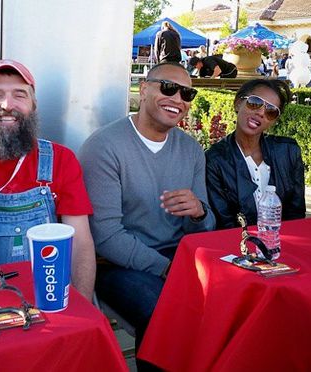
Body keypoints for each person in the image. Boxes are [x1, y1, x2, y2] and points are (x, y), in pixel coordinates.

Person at [78, 62, 215, 365]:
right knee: (166, 311)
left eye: (187, 93)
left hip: (176, 256)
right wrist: (167, 269)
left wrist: (198, 213)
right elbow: (106, 237)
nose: (178, 99)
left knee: (229, 297)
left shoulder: (190, 149)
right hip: (117, 264)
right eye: (168, 88)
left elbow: (205, 227)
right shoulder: (105, 147)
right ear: (143, 89)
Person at [0, 59, 96, 300]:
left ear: (33, 104)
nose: (7, 105)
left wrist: (81, 306)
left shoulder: (61, 160)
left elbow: (81, 245)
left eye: (19, 95)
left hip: (50, 296)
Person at [205, 79, 305, 229]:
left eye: (271, 111)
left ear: (273, 121)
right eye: (254, 102)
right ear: (238, 103)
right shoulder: (215, 160)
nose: (260, 112)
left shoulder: (288, 151)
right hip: (237, 245)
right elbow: (224, 221)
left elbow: (296, 214)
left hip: (281, 242)